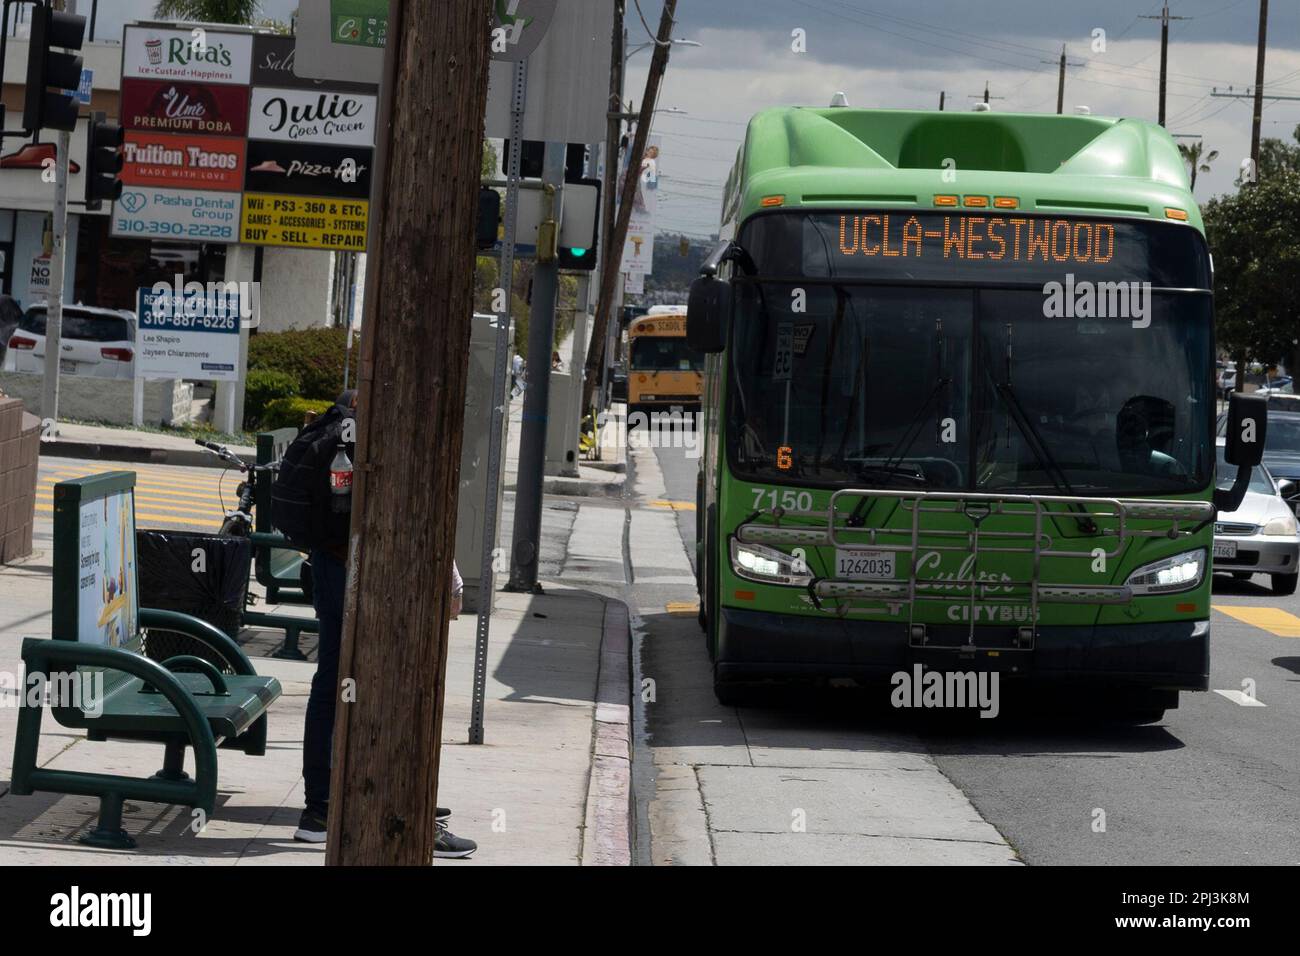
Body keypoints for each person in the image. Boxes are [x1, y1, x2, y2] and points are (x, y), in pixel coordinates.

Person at [276, 390, 476, 858]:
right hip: (368, 570)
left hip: (334, 565)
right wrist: (450, 577)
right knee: (375, 683)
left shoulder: (352, 428)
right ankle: (371, 809)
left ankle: (328, 807)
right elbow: (410, 510)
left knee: (338, 681)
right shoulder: (386, 433)